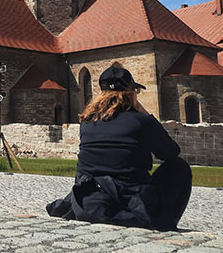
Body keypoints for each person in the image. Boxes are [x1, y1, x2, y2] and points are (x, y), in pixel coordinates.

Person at [46, 66, 192, 231]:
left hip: (89, 202)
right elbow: (171, 152)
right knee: (179, 167)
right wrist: (145, 114)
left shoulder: (86, 123)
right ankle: (163, 224)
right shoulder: (141, 121)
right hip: (130, 202)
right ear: (131, 93)